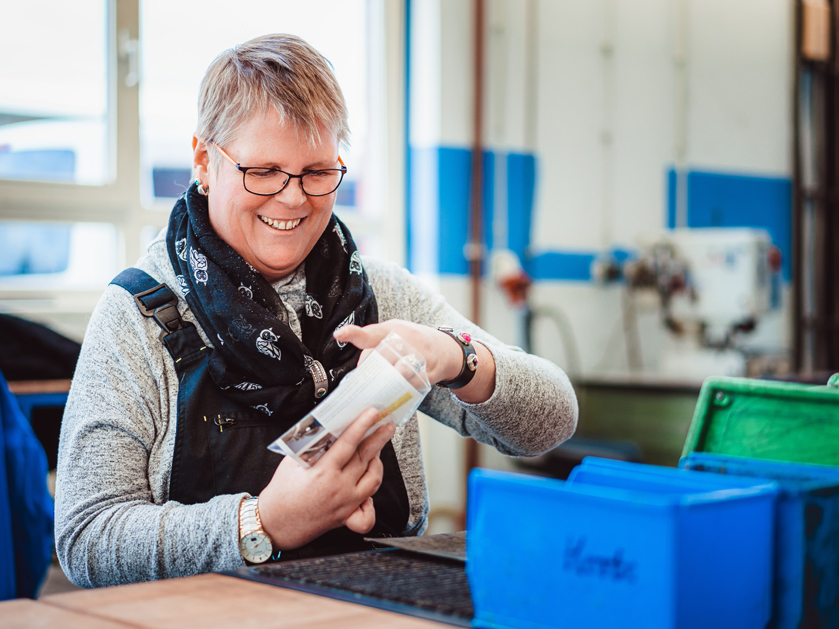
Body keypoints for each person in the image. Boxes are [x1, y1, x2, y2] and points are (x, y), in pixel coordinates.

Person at [55, 33, 578, 588]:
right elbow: (86, 539)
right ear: (205, 162)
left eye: (317, 172)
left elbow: (551, 424)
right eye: (263, 171)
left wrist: (455, 356)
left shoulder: (382, 294)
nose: (294, 198)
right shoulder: (139, 315)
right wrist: (263, 524)